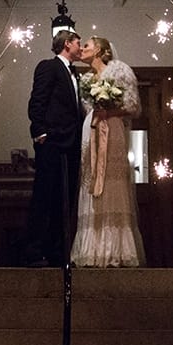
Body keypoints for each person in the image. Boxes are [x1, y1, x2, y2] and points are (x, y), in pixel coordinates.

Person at [71, 36, 145, 267]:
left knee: (113, 184)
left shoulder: (118, 70)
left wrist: (109, 111)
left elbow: (133, 106)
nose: (82, 49)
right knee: (90, 182)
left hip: (111, 130)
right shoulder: (84, 78)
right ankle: (92, 249)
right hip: (90, 129)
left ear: (101, 50)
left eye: (87, 46)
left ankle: (116, 250)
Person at [23, 29, 84, 267]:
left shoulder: (75, 73)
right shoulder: (48, 66)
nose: (80, 47)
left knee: (65, 198)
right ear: (67, 44)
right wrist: (40, 133)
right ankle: (34, 251)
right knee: (44, 196)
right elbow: (37, 101)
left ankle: (57, 251)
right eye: (78, 43)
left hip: (71, 145)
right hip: (52, 143)